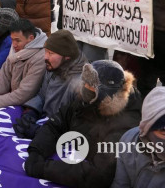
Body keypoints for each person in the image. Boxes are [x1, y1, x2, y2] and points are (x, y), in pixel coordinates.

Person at [25, 60, 142, 188]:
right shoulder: (87, 99)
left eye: (91, 84)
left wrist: (43, 169)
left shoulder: (126, 123)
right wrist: (37, 151)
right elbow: (57, 123)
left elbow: (98, 175)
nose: (85, 87)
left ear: (106, 92)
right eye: (85, 82)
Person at [12, 29, 87, 138]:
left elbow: (76, 125)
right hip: (46, 121)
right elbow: (42, 96)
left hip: (59, 133)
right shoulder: (53, 67)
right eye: (45, 51)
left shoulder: (81, 84)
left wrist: (41, 132)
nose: (45, 57)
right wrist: (31, 112)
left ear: (67, 57)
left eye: (51, 53)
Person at [0, 19, 47, 113]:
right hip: (14, 101)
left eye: (17, 40)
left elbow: (25, 93)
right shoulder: (16, 49)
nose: (14, 45)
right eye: (12, 39)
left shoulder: (40, 57)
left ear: (30, 38)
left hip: (29, 107)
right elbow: (3, 78)